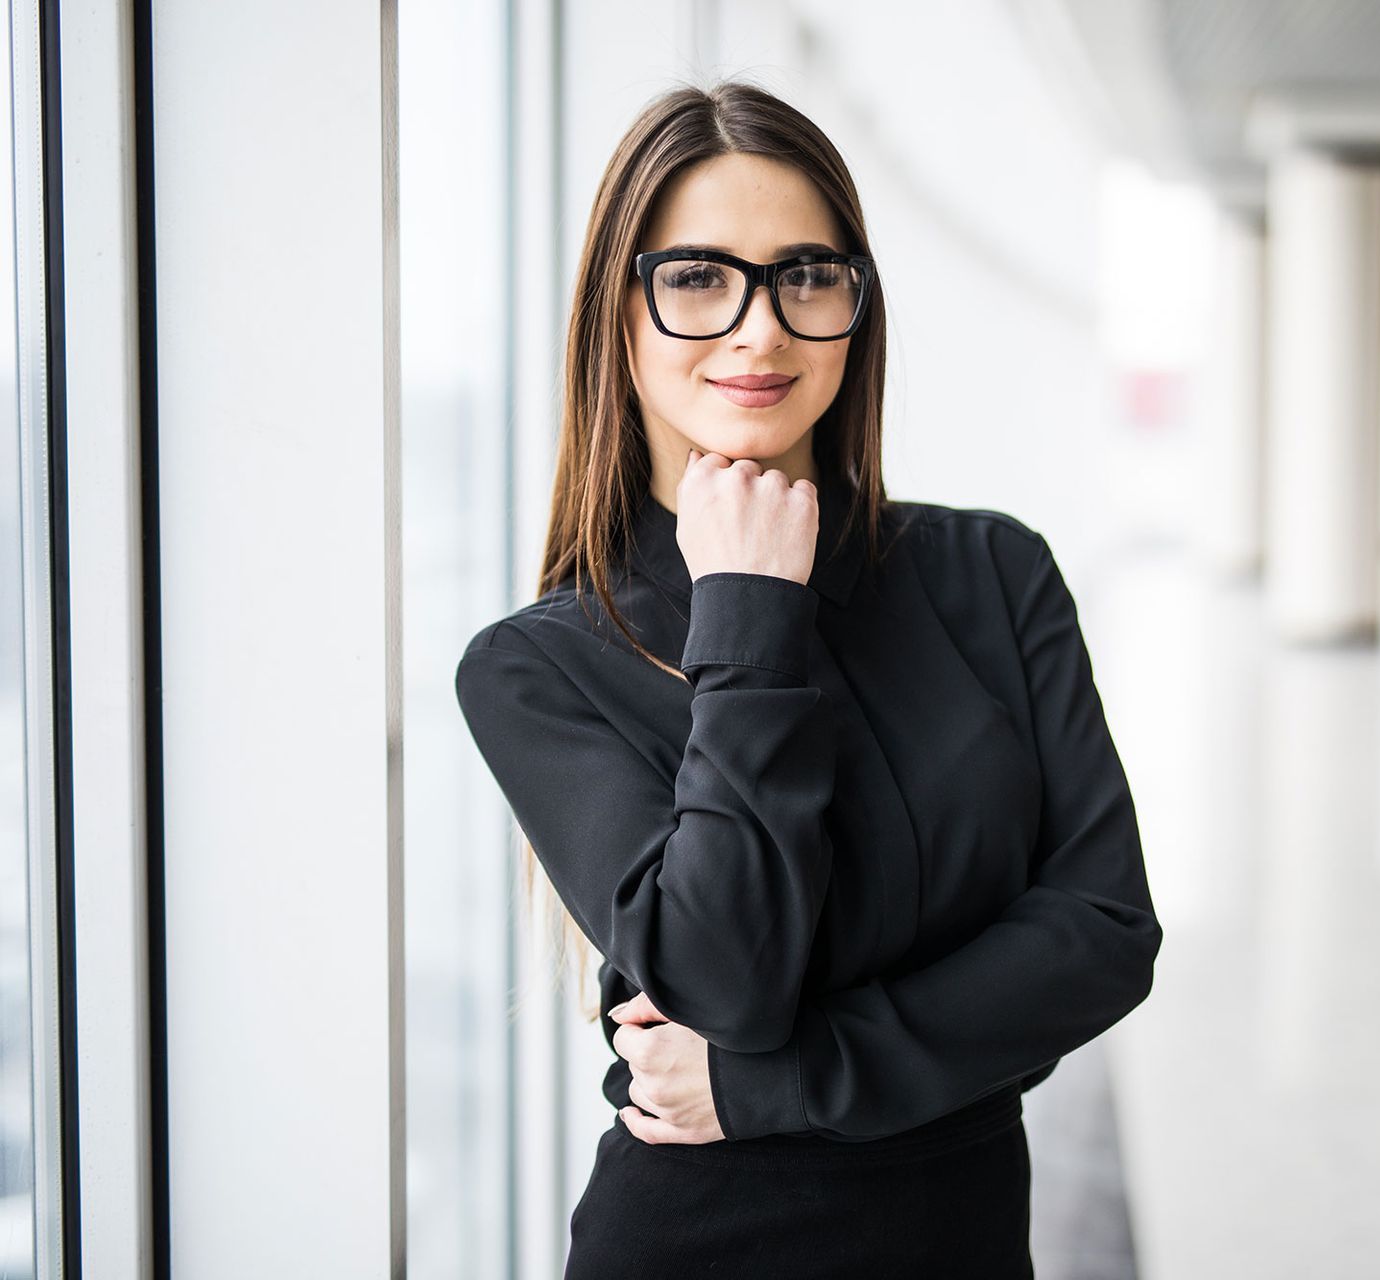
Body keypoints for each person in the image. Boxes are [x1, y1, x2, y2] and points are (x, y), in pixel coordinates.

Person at [453, 78, 1162, 1279]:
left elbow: (1101, 931)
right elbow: (727, 969)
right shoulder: (538, 666)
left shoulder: (992, 570)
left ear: (856, 306)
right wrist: (750, 611)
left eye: (807, 275)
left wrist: (777, 1074)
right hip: (699, 1241)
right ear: (615, 317)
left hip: (966, 1235)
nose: (759, 328)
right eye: (696, 278)